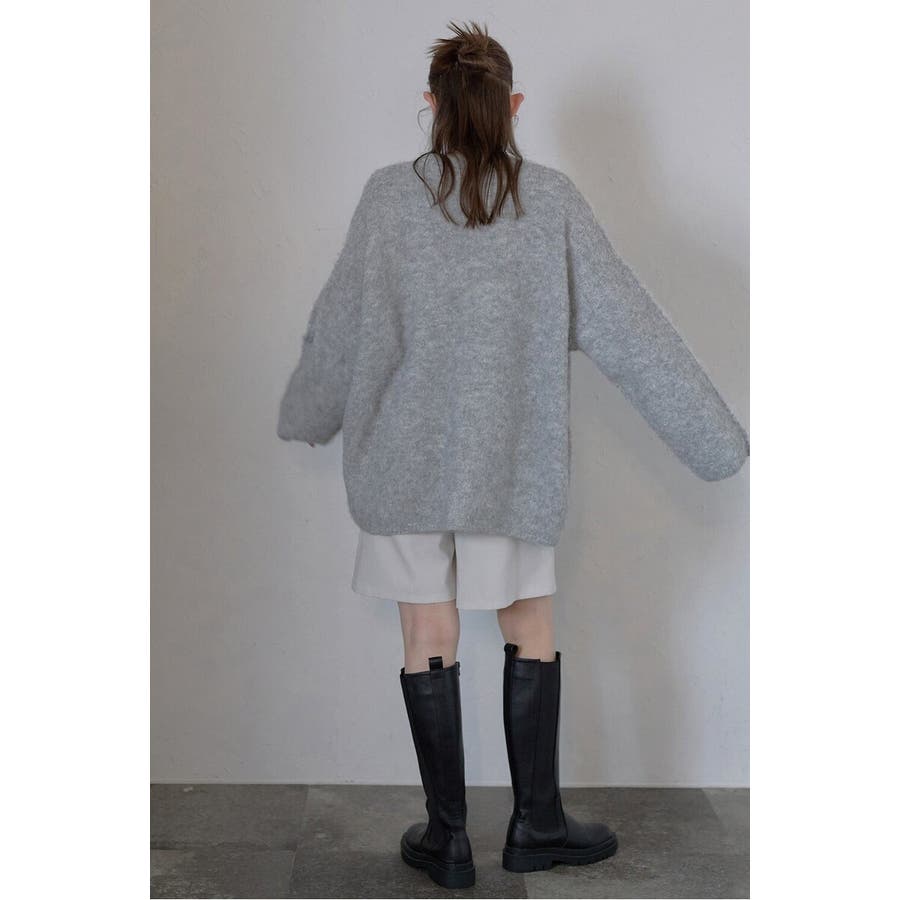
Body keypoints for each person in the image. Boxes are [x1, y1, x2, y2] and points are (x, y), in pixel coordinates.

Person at [277, 19, 748, 891]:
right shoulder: (552, 202)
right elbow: (633, 333)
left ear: (432, 106)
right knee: (528, 621)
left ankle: (448, 838)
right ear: (513, 106)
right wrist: (718, 443)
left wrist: (305, 413)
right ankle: (536, 824)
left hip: (401, 468)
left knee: (427, 633)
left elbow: (340, 330)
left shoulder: (387, 199)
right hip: (511, 466)